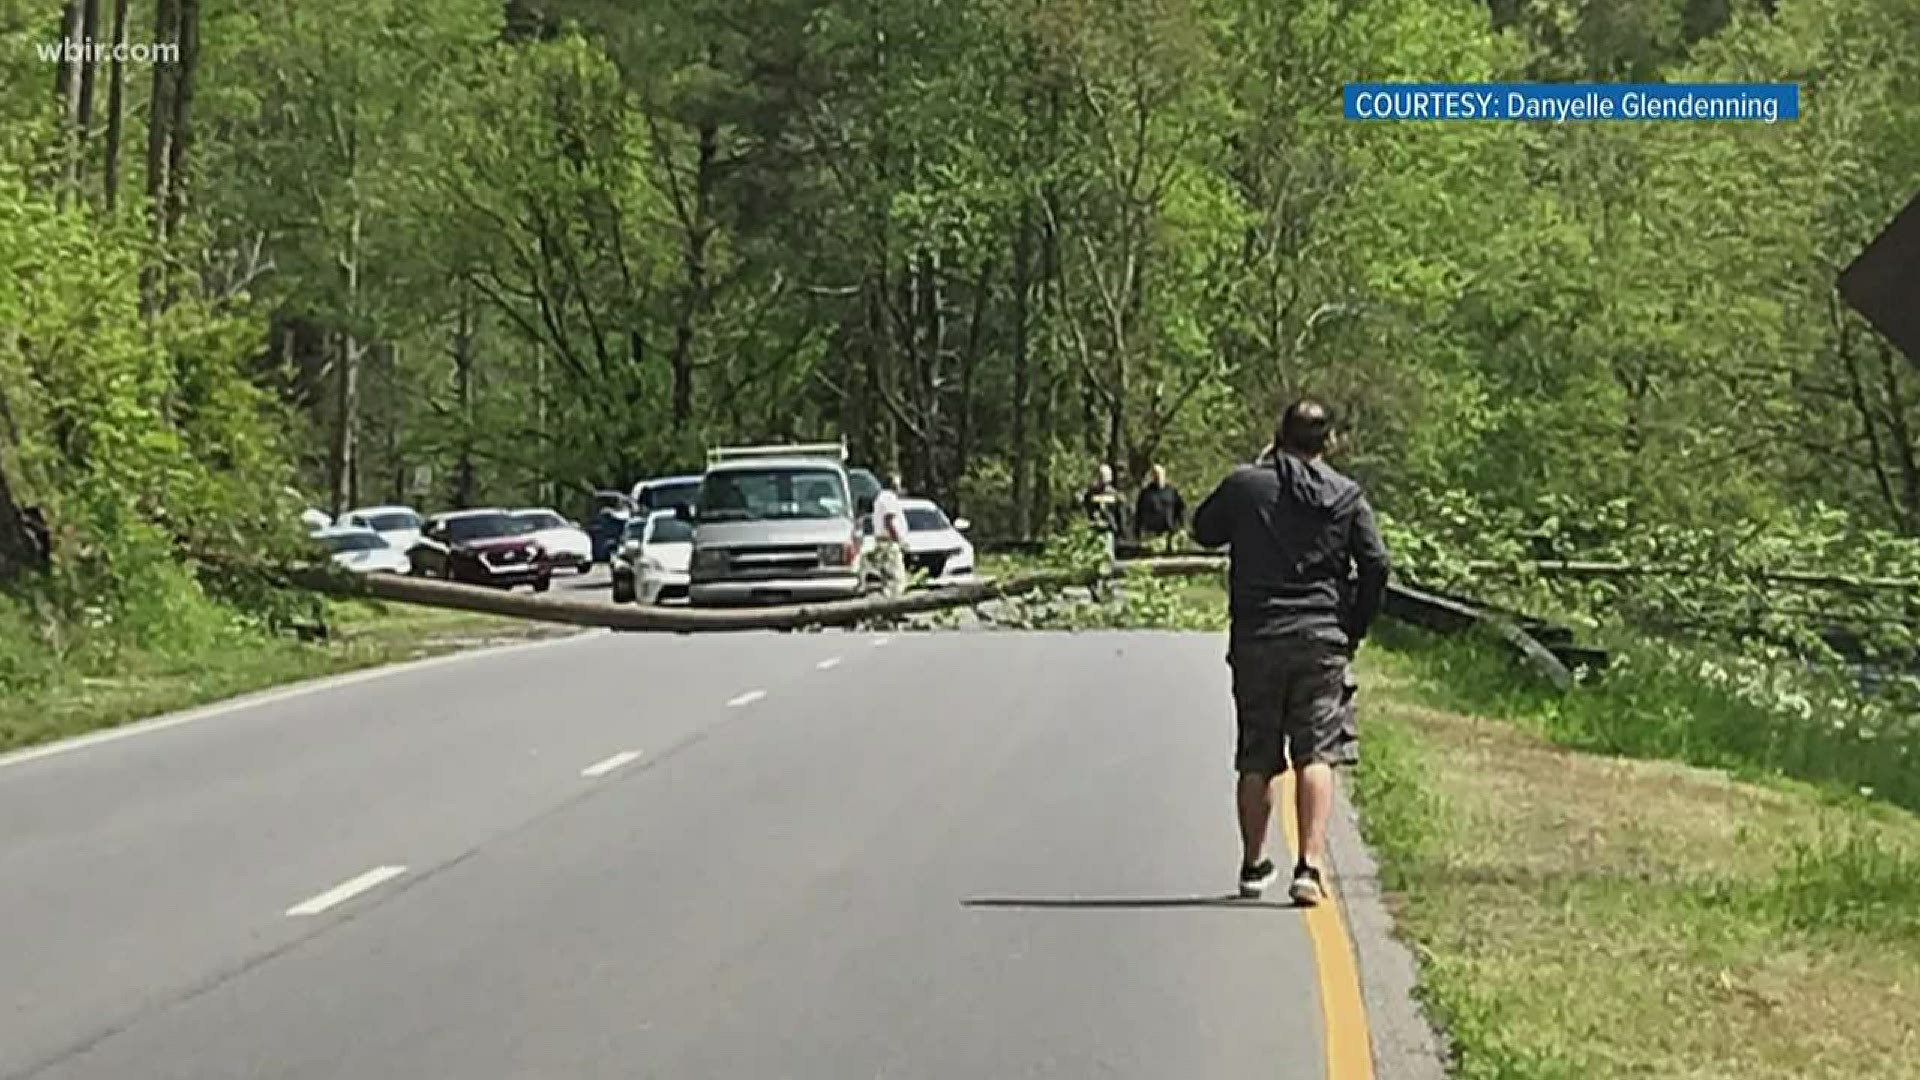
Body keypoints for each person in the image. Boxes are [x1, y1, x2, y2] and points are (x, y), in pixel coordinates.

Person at [1192, 400, 1390, 905]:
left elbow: (1203, 530)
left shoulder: (1247, 485)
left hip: (1258, 634)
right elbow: (1376, 564)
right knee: (1316, 750)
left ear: (1278, 434)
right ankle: (1310, 865)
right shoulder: (1346, 495)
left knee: (1256, 753)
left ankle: (1254, 864)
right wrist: (1353, 627)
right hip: (1322, 636)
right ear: (1329, 443)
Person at [869, 472, 910, 598]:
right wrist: (898, 540)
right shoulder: (888, 497)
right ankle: (895, 606)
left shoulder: (881, 497)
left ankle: (888, 607)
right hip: (889, 543)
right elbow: (889, 521)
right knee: (897, 578)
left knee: (887, 580)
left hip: (882, 543)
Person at [1133, 464, 1186, 552]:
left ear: (1164, 475)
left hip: (1169, 534)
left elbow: (1181, 509)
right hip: (1152, 535)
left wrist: (1182, 527)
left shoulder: (1172, 491)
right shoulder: (1146, 493)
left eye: (1160, 474)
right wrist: (1137, 531)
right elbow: (1139, 513)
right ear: (1152, 477)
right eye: (1155, 475)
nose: (1158, 477)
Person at [1080, 464, 1125, 560]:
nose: (1103, 479)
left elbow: (1120, 514)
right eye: (1101, 476)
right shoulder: (1090, 494)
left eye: (1105, 476)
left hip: (1109, 530)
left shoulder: (1115, 495)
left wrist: (1120, 530)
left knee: (1107, 555)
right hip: (1094, 529)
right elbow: (1087, 509)